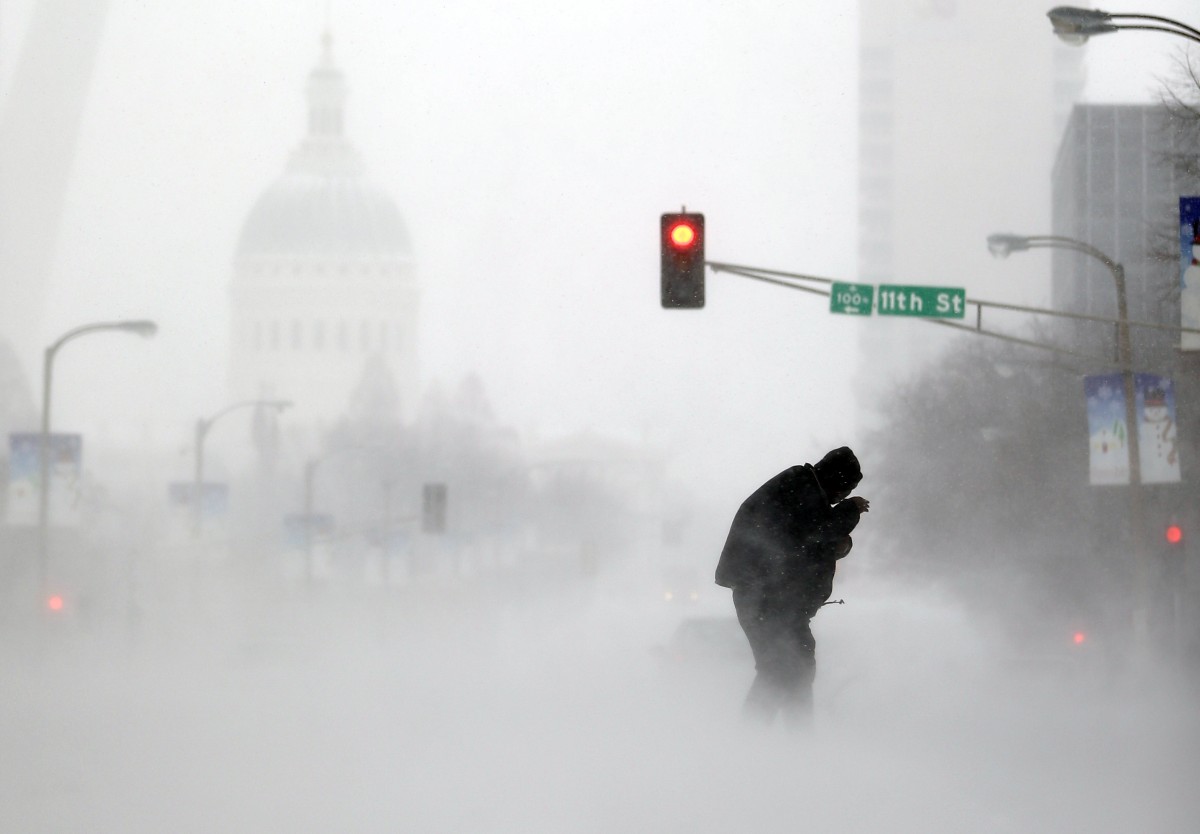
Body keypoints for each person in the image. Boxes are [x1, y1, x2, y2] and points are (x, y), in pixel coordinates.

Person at [715, 447, 868, 728]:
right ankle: (767, 737)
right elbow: (815, 533)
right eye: (845, 488)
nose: (843, 496)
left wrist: (839, 544)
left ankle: (785, 739)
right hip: (767, 598)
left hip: (775, 599)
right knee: (782, 669)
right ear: (834, 478)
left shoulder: (802, 489)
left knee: (794, 668)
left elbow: (802, 543)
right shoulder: (802, 486)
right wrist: (850, 511)